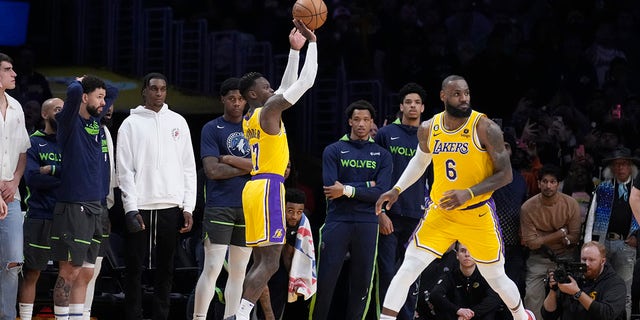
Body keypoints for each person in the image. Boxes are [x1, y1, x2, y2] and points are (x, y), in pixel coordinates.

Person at [376, 75, 535, 320]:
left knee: (496, 277)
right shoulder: (429, 127)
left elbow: (506, 174)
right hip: (440, 211)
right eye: (457, 94)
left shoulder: (485, 127)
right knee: (407, 269)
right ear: (443, 96)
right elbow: (420, 161)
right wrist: (397, 189)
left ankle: (522, 317)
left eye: (467, 93)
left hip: (476, 213)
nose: (464, 99)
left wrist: (468, 193)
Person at [234, 19, 317, 320]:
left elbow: (284, 87)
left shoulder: (253, 116)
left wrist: (294, 51)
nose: (272, 89)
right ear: (254, 94)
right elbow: (304, 83)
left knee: (260, 262)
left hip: (253, 188)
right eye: (265, 87)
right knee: (269, 263)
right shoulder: (269, 111)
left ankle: (240, 313)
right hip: (269, 188)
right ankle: (241, 316)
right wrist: (314, 44)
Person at [117, 72, 196, 320]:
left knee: (166, 269)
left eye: (163, 89)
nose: (159, 93)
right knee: (134, 268)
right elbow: (124, 169)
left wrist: (188, 207)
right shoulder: (130, 124)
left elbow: (188, 167)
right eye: (154, 88)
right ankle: (134, 316)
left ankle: (161, 316)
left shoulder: (179, 122)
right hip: (140, 204)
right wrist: (130, 207)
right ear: (144, 91)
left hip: (171, 205)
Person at [311, 100, 393, 320]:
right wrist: (368, 186)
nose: (361, 124)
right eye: (356, 119)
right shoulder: (334, 150)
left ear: (372, 122)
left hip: (368, 223)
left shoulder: (382, 155)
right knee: (325, 282)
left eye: (366, 120)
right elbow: (330, 188)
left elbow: (382, 192)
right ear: (349, 121)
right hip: (337, 221)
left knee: (362, 283)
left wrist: (346, 189)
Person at [51, 75, 118, 320]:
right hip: (74, 205)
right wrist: (77, 81)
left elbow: (112, 90)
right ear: (84, 97)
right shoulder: (69, 122)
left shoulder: (95, 121)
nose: (104, 103)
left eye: (103, 98)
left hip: (96, 206)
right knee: (69, 271)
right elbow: (72, 93)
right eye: (98, 98)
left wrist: (95, 87)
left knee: (86, 273)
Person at [193, 77, 253, 320]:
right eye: (232, 99)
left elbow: (271, 166)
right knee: (212, 268)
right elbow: (212, 171)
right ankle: (199, 317)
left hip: (248, 206)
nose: (237, 103)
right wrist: (250, 166)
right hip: (219, 206)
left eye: (241, 99)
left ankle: (232, 318)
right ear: (222, 99)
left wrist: (229, 158)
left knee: (239, 272)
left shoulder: (255, 127)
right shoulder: (211, 128)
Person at [374, 82, 427, 319]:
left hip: (417, 216)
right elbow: (375, 175)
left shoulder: (427, 136)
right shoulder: (385, 135)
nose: (412, 106)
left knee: (411, 272)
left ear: (423, 107)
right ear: (401, 106)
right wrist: (381, 213)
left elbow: (434, 180)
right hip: (390, 216)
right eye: (408, 102)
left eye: (417, 102)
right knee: (386, 272)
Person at [17, 97, 63, 320]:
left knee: (67, 274)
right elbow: (34, 180)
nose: (61, 113)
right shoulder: (32, 142)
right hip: (40, 215)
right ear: (45, 114)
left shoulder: (71, 142)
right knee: (32, 272)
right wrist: (63, 175)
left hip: (67, 215)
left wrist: (51, 169)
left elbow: (79, 177)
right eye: (57, 109)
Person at [520, 164, 582, 320]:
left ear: (558, 184)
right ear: (539, 183)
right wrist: (560, 233)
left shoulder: (570, 204)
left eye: (552, 181)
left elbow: (575, 237)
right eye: (545, 181)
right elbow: (531, 243)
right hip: (539, 258)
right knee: (532, 294)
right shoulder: (528, 207)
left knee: (570, 297)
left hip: (566, 257)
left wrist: (543, 237)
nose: (548, 186)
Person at [584, 146, 639, 319]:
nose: (620, 168)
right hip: (603, 244)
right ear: (611, 168)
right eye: (616, 165)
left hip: (626, 244)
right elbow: (591, 217)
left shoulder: (638, 190)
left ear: (630, 166)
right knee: (599, 286)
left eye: (624, 164)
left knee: (625, 289)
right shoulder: (603, 188)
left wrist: (638, 237)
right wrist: (589, 244)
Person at [0, 52, 30, 320]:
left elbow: (23, 151)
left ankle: (7, 316)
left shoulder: (17, 106)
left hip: (12, 194)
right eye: (8, 70)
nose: (14, 74)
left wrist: (16, 180)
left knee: (12, 261)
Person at [81, 103, 117, 320]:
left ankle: (85, 314)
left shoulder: (105, 132)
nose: (109, 108)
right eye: (103, 102)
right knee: (77, 269)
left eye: (111, 104)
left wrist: (108, 207)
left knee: (95, 268)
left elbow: (110, 174)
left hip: (102, 207)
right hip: (80, 207)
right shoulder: (80, 129)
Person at [257, 188, 316, 320]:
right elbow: (261, 265)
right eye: (290, 211)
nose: (294, 216)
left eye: (299, 212)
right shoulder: (270, 220)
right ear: (282, 207)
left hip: (276, 267)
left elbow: (288, 254)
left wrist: (296, 280)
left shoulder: (300, 224)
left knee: (282, 281)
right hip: (257, 264)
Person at [541, 241, 626, 320]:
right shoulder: (572, 277)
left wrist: (577, 293)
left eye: (592, 260)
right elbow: (548, 316)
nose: (587, 264)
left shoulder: (615, 283)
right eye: (584, 259)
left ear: (602, 261)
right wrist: (553, 290)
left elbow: (607, 314)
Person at [492, 133, 528, 299]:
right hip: (488, 246)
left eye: (506, 146)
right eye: (498, 145)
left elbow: (526, 210)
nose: (503, 150)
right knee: (489, 295)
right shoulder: (483, 174)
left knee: (512, 295)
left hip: (514, 247)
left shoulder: (520, 179)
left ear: (512, 151)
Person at [429, 242, 502, 320]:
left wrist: (470, 314)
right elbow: (435, 294)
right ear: (457, 255)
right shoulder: (450, 276)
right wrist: (457, 310)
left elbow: (495, 298)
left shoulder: (486, 275)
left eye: (471, 251)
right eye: (463, 251)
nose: (467, 254)